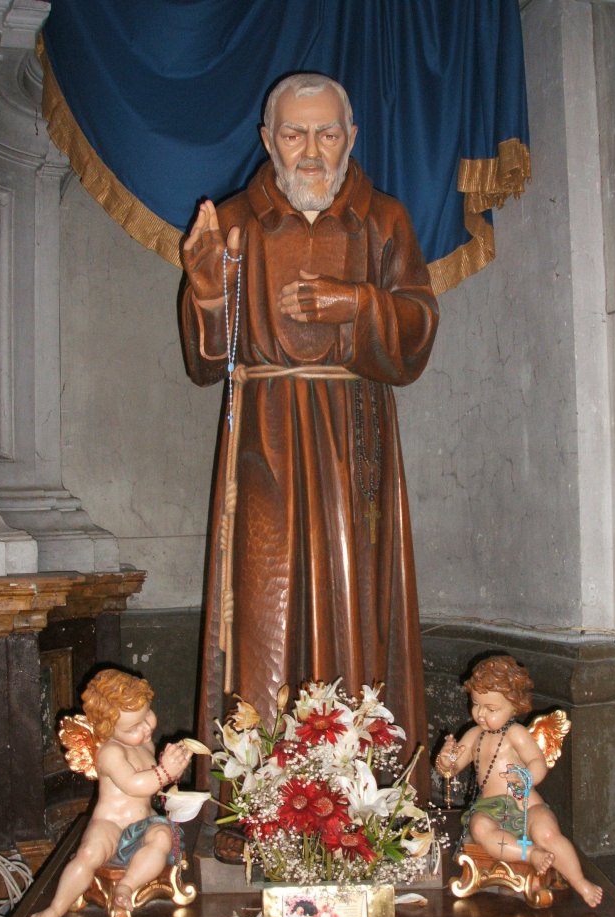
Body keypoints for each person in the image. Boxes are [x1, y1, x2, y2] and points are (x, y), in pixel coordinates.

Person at [179, 73, 439, 804]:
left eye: (328, 133)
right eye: (295, 133)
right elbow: (207, 364)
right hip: (264, 441)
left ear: (351, 139)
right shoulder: (234, 224)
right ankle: (262, 802)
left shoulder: (382, 221)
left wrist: (353, 306)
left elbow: (417, 333)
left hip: (356, 446)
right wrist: (204, 289)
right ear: (268, 140)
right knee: (262, 606)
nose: (313, 151)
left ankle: (361, 802)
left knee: (358, 599)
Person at [29, 669, 192, 917]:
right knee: (88, 854)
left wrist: (174, 768)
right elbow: (133, 784)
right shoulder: (110, 752)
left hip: (143, 821)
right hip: (110, 824)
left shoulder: (145, 744)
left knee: (163, 838)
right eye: (133, 727)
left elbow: (154, 784)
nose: (146, 727)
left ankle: (127, 886)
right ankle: (55, 909)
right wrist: (165, 772)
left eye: (147, 715)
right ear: (105, 730)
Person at [436, 655, 603, 908]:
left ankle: (580, 883)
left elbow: (538, 762)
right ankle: (530, 854)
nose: (481, 714)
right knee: (480, 828)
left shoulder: (516, 734)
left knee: (547, 832)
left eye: (491, 709)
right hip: (491, 809)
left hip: (527, 806)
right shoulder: (473, 735)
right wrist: (445, 759)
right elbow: (452, 769)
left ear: (514, 706)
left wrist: (526, 778)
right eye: (476, 705)